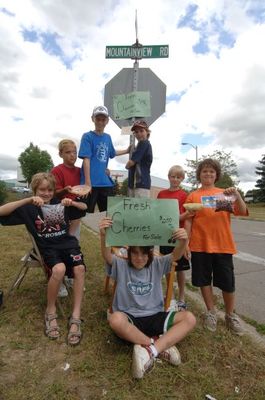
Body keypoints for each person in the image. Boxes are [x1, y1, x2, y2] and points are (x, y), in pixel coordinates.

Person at [99, 217, 196, 379]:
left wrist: (184, 240)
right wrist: (103, 237)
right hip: (129, 318)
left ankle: (148, 349)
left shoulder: (157, 264)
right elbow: (107, 256)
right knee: (115, 320)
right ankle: (158, 345)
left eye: (144, 253)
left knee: (190, 318)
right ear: (129, 253)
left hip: (155, 316)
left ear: (150, 253)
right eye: (135, 253)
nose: (139, 258)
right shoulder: (121, 265)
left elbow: (176, 255)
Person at [0, 172, 87, 345]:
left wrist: (72, 202)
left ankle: (76, 315)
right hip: (47, 248)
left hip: (68, 245)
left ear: (54, 190)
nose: (46, 193)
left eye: (49, 190)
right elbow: (2, 212)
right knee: (59, 269)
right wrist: (28, 200)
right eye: (42, 190)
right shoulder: (28, 208)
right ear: (35, 190)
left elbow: (84, 208)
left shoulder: (58, 203)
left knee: (80, 268)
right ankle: (50, 310)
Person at [184, 158, 248, 335]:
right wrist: (187, 244)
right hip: (199, 246)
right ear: (199, 174)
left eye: (211, 171)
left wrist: (237, 195)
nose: (208, 174)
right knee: (203, 281)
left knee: (227, 283)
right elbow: (188, 221)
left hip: (222, 245)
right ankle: (211, 312)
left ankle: (230, 315)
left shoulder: (223, 194)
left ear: (216, 175)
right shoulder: (194, 196)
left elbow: (242, 211)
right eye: (204, 171)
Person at [51, 139, 88, 296]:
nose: (72, 155)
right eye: (68, 152)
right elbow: (53, 193)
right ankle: (60, 280)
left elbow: (88, 184)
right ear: (60, 154)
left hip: (75, 212)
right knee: (60, 246)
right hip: (59, 214)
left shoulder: (80, 171)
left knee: (73, 245)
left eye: (74, 152)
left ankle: (72, 277)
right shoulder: (56, 171)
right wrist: (64, 190)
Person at [78, 105, 130, 213]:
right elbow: (86, 159)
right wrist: (88, 183)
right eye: (98, 119)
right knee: (86, 214)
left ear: (107, 121)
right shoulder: (87, 136)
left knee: (109, 215)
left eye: (103, 119)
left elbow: (112, 153)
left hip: (105, 184)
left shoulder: (108, 137)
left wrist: (126, 150)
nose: (100, 122)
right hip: (91, 183)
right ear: (93, 119)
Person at [157, 165, 193, 311]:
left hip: (179, 235)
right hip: (165, 235)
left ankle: (182, 297)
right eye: (173, 176)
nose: (175, 179)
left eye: (178, 177)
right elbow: (157, 213)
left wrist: (187, 243)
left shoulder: (185, 196)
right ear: (168, 177)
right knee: (167, 266)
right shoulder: (161, 194)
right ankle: (169, 295)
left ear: (182, 179)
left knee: (180, 269)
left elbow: (188, 216)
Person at [126, 120, 153, 198]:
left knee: (139, 208)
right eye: (136, 132)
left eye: (141, 131)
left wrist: (127, 165)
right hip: (139, 183)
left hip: (141, 184)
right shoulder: (142, 145)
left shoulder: (143, 143)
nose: (139, 134)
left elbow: (131, 162)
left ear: (147, 132)